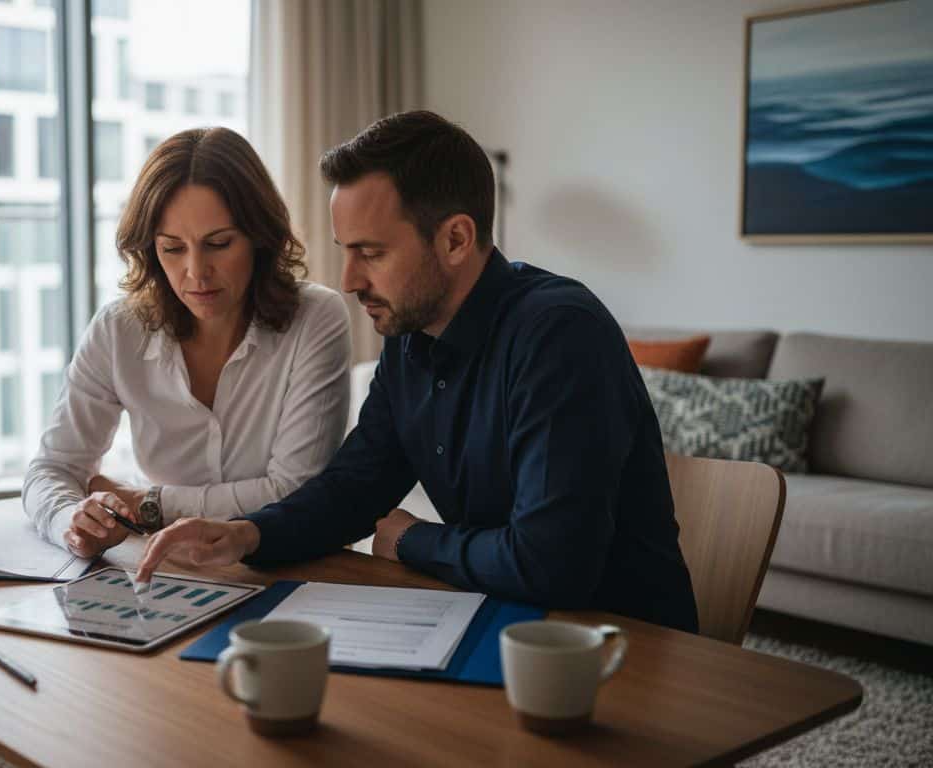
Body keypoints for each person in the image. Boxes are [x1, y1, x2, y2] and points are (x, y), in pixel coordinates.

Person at [136, 111, 699, 633]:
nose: (350, 279)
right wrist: (245, 533)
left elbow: (552, 564)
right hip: (500, 624)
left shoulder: (559, 335)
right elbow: (353, 489)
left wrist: (412, 541)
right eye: (344, 250)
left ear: (455, 239)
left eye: (371, 253)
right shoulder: (411, 338)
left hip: (619, 649)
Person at [24, 127, 352, 559]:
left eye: (218, 244)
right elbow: (52, 468)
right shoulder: (118, 329)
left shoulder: (316, 319)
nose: (196, 272)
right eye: (173, 248)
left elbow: (295, 490)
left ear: (258, 237)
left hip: (291, 562)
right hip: (170, 570)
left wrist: (148, 504)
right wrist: (74, 521)